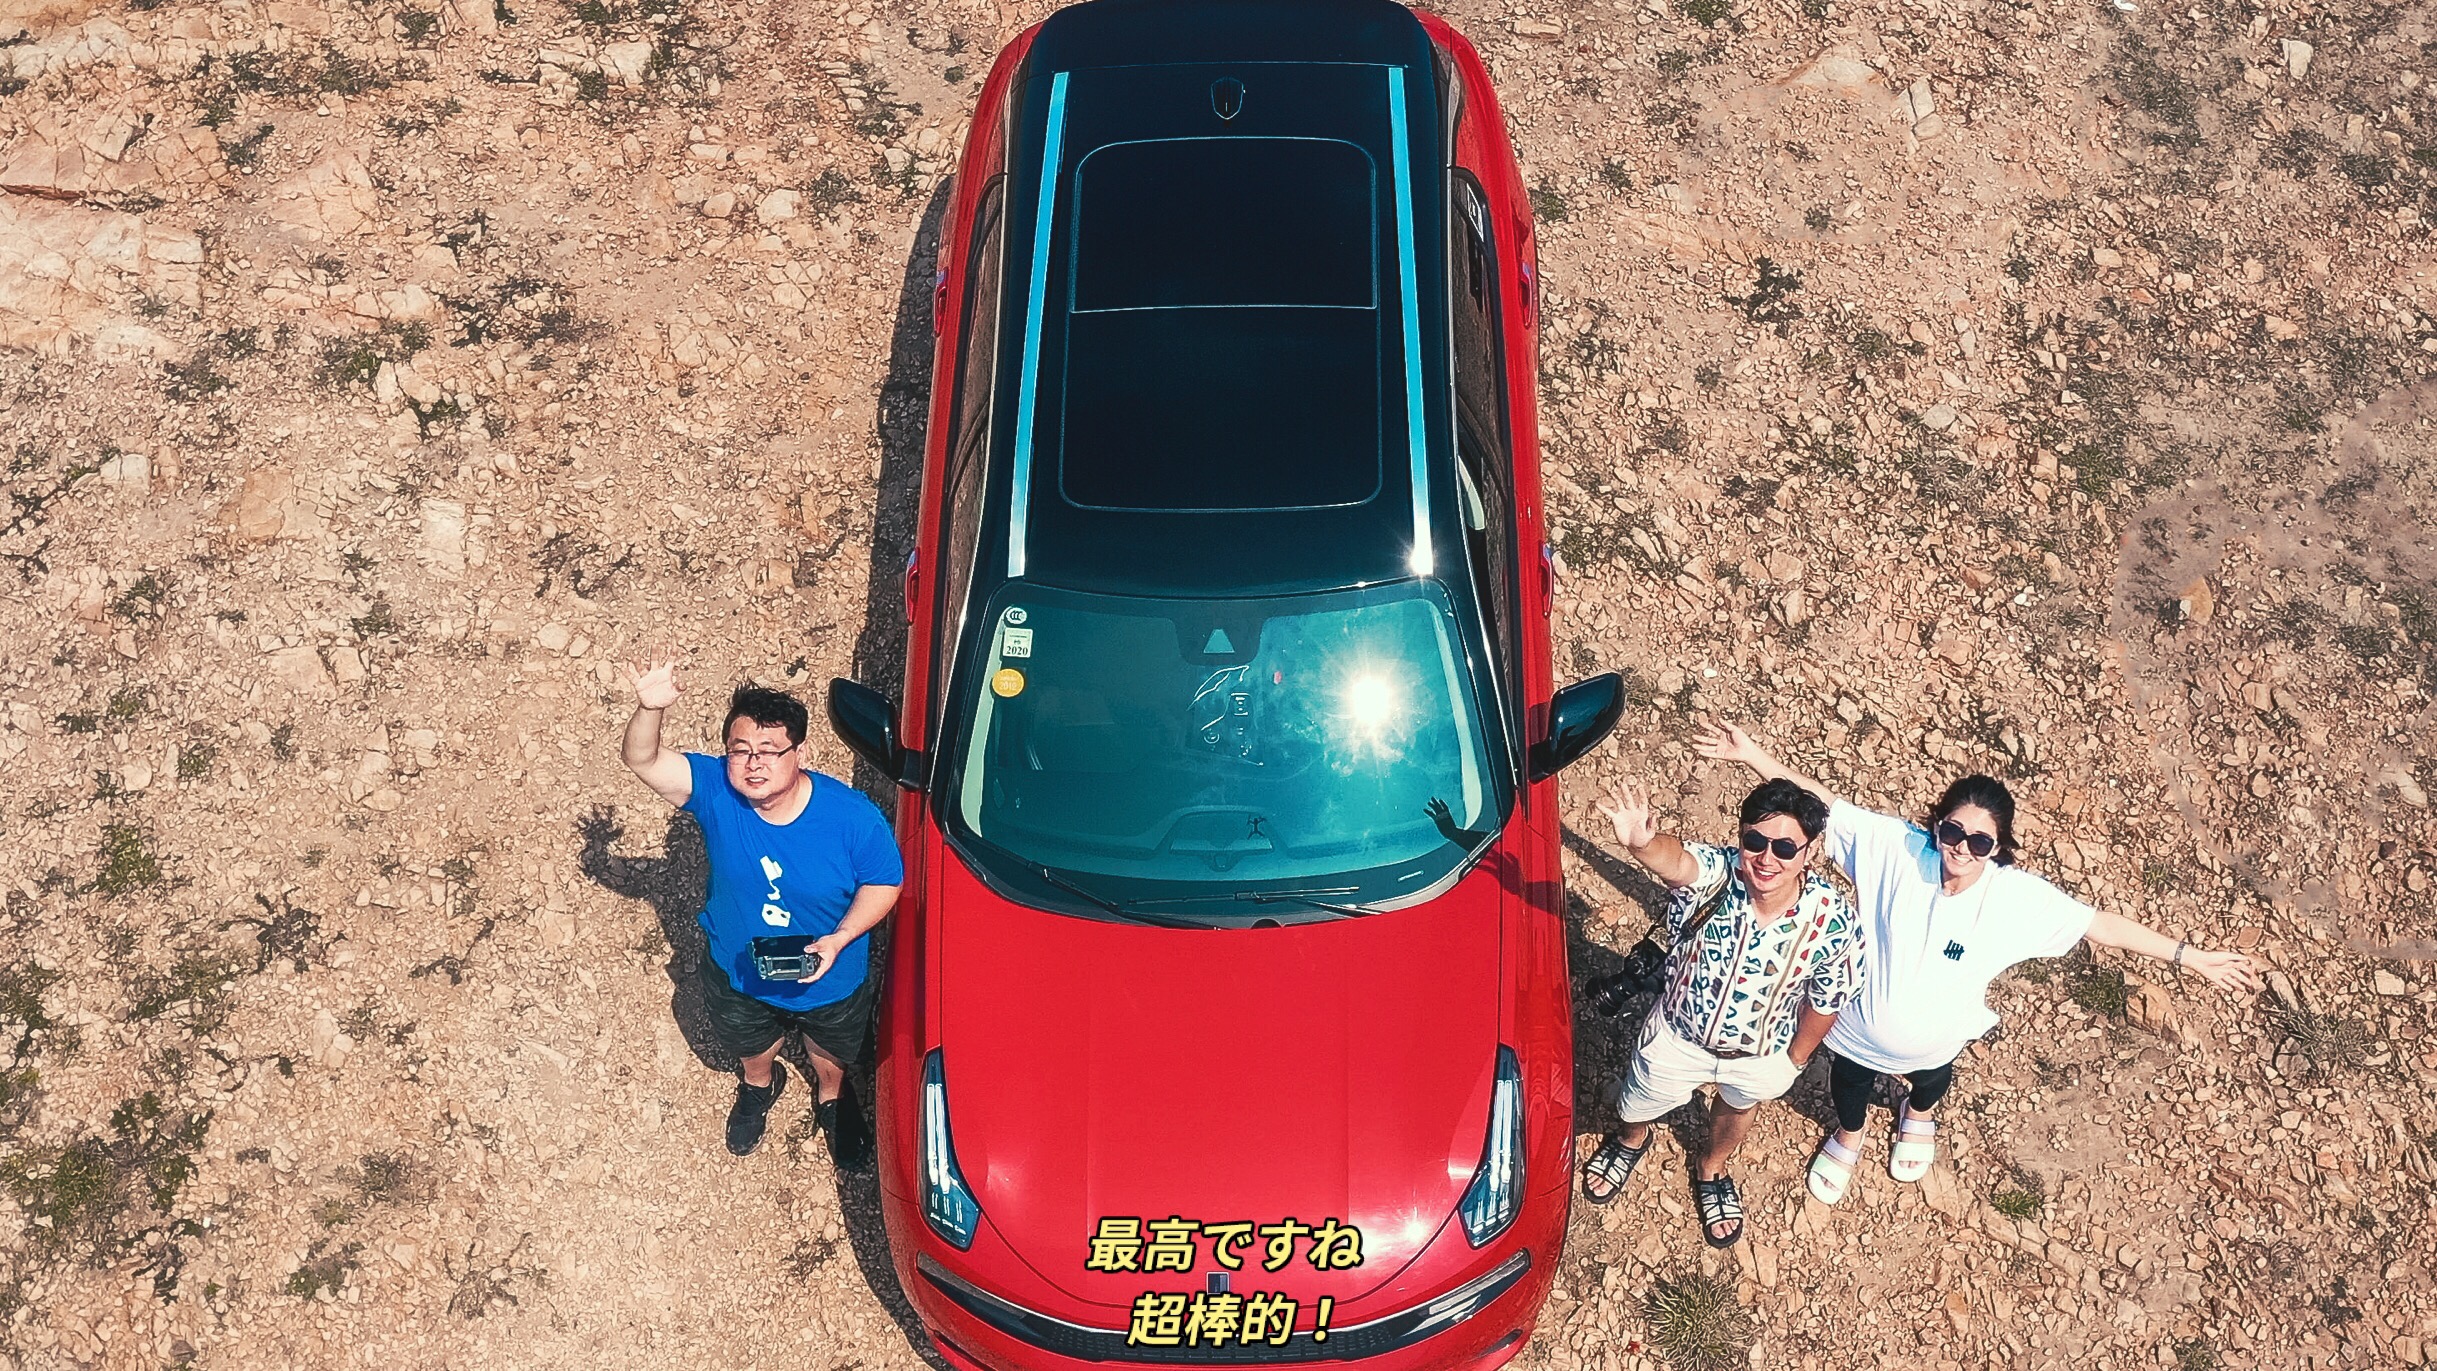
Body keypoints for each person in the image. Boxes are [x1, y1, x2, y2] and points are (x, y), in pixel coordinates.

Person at [1694, 721, 2262, 1204]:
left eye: (1980, 842)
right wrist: (1753, 755)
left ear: (1999, 847)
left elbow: (2100, 925)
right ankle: (1849, 1134)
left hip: (1935, 1044)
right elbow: (1824, 806)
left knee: (1930, 1080)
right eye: (1953, 831)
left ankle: (1918, 1114)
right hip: (1855, 1031)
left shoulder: (2015, 898)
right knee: (1850, 1085)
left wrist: (2190, 957)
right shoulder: (1896, 848)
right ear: (1936, 825)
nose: (1962, 848)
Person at [620, 661, 905, 1163]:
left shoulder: (853, 817)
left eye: (770, 750)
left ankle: (833, 1097)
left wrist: (841, 938)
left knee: (830, 1047)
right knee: (750, 1042)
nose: (754, 764)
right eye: (741, 750)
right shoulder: (717, 791)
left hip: (830, 974)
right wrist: (649, 708)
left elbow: (885, 882)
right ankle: (759, 1085)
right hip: (737, 970)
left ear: (801, 753)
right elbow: (642, 759)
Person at [1579, 776, 1865, 1248]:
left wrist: (1795, 1059)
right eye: (1755, 841)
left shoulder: (1833, 920)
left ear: (1811, 852)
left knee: (1738, 1108)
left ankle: (1711, 1167)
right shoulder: (1717, 875)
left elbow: (1828, 998)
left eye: (1785, 847)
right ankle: (1632, 1139)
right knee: (1637, 1102)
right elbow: (1678, 863)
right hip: (1678, 1035)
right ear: (1740, 837)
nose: (1767, 858)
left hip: (1762, 1054)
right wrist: (1642, 844)